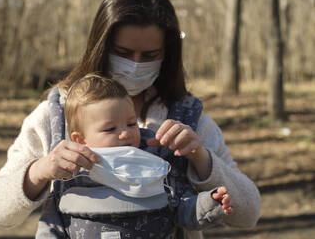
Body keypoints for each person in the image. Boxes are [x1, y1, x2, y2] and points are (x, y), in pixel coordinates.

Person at [0, 0, 261, 238]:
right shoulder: (54, 116)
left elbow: (248, 214)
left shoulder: (189, 120)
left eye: (150, 55)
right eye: (123, 52)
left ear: (168, 54)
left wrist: (200, 158)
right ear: (101, 45)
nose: (135, 65)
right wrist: (41, 170)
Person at [35, 74, 233, 238]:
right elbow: (52, 224)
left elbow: (181, 206)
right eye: (111, 128)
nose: (125, 133)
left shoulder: (153, 163)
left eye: (131, 124)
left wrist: (209, 202)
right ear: (80, 140)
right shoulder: (72, 172)